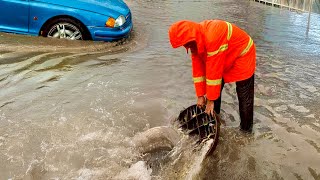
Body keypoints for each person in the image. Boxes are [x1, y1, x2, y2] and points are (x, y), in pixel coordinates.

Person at [168, 19, 256, 132]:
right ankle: (215, 118)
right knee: (215, 89)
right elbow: (198, 69)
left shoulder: (213, 35)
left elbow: (214, 71)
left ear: (190, 37)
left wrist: (210, 100)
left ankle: (246, 132)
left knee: (244, 97)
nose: (186, 46)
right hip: (226, 56)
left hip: (243, 53)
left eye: (185, 44)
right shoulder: (195, 41)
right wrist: (200, 95)